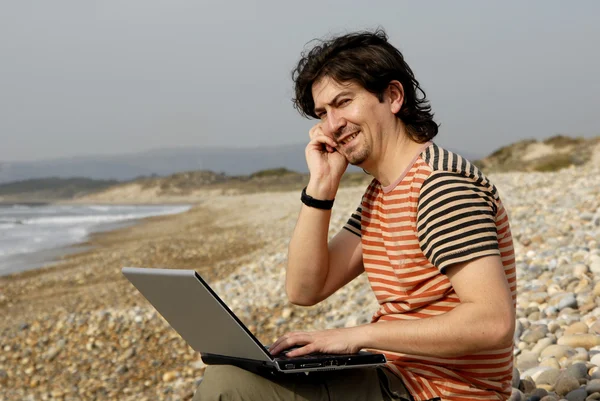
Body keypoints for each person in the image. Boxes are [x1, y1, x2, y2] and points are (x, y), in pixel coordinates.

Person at [194, 29, 516, 401]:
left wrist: (355, 335)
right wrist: (321, 187)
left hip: (442, 391)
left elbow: (493, 322)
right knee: (232, 371)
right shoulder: (381, 193)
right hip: (396, 376)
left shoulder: (440, 186)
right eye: (322, 113)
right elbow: (305, 289)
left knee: (227, 387)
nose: (332, 125)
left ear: (393, 96)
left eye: (343, 102)